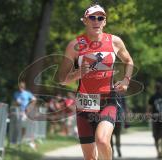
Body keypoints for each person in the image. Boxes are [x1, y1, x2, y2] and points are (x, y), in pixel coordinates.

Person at [58, 4, 134, 160]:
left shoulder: (114, 41)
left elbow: (128, 60)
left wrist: (126, 80)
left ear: (104, 22)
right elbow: (62, 80)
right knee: (90, 158)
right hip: (85, 102)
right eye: (92, 17)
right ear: (85, 21)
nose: (96, 21)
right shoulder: (75, 45)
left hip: (108, 99)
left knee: (102, 140)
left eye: (101, 18)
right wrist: (77, 73)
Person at [147, 82, 162, 159]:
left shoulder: (152, 97)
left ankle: (158, 152)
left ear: (155, 88)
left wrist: (148, 116)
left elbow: (149, 109)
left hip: (155, 118)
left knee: (156, 137)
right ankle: (161, 151)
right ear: (161, 88)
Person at [13, 81, 37, 149]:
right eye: (20, 87)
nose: (21, 88)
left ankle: (31, 142)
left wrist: (30, 107)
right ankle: (20, 140)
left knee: (29, 126)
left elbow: (34, 100)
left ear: (24, 87)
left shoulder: (27, 93)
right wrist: (16, 103)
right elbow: (15, 103)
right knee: (21, 126)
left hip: (26, 112)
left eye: (22, 87)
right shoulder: (16, 94)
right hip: (19, 112)